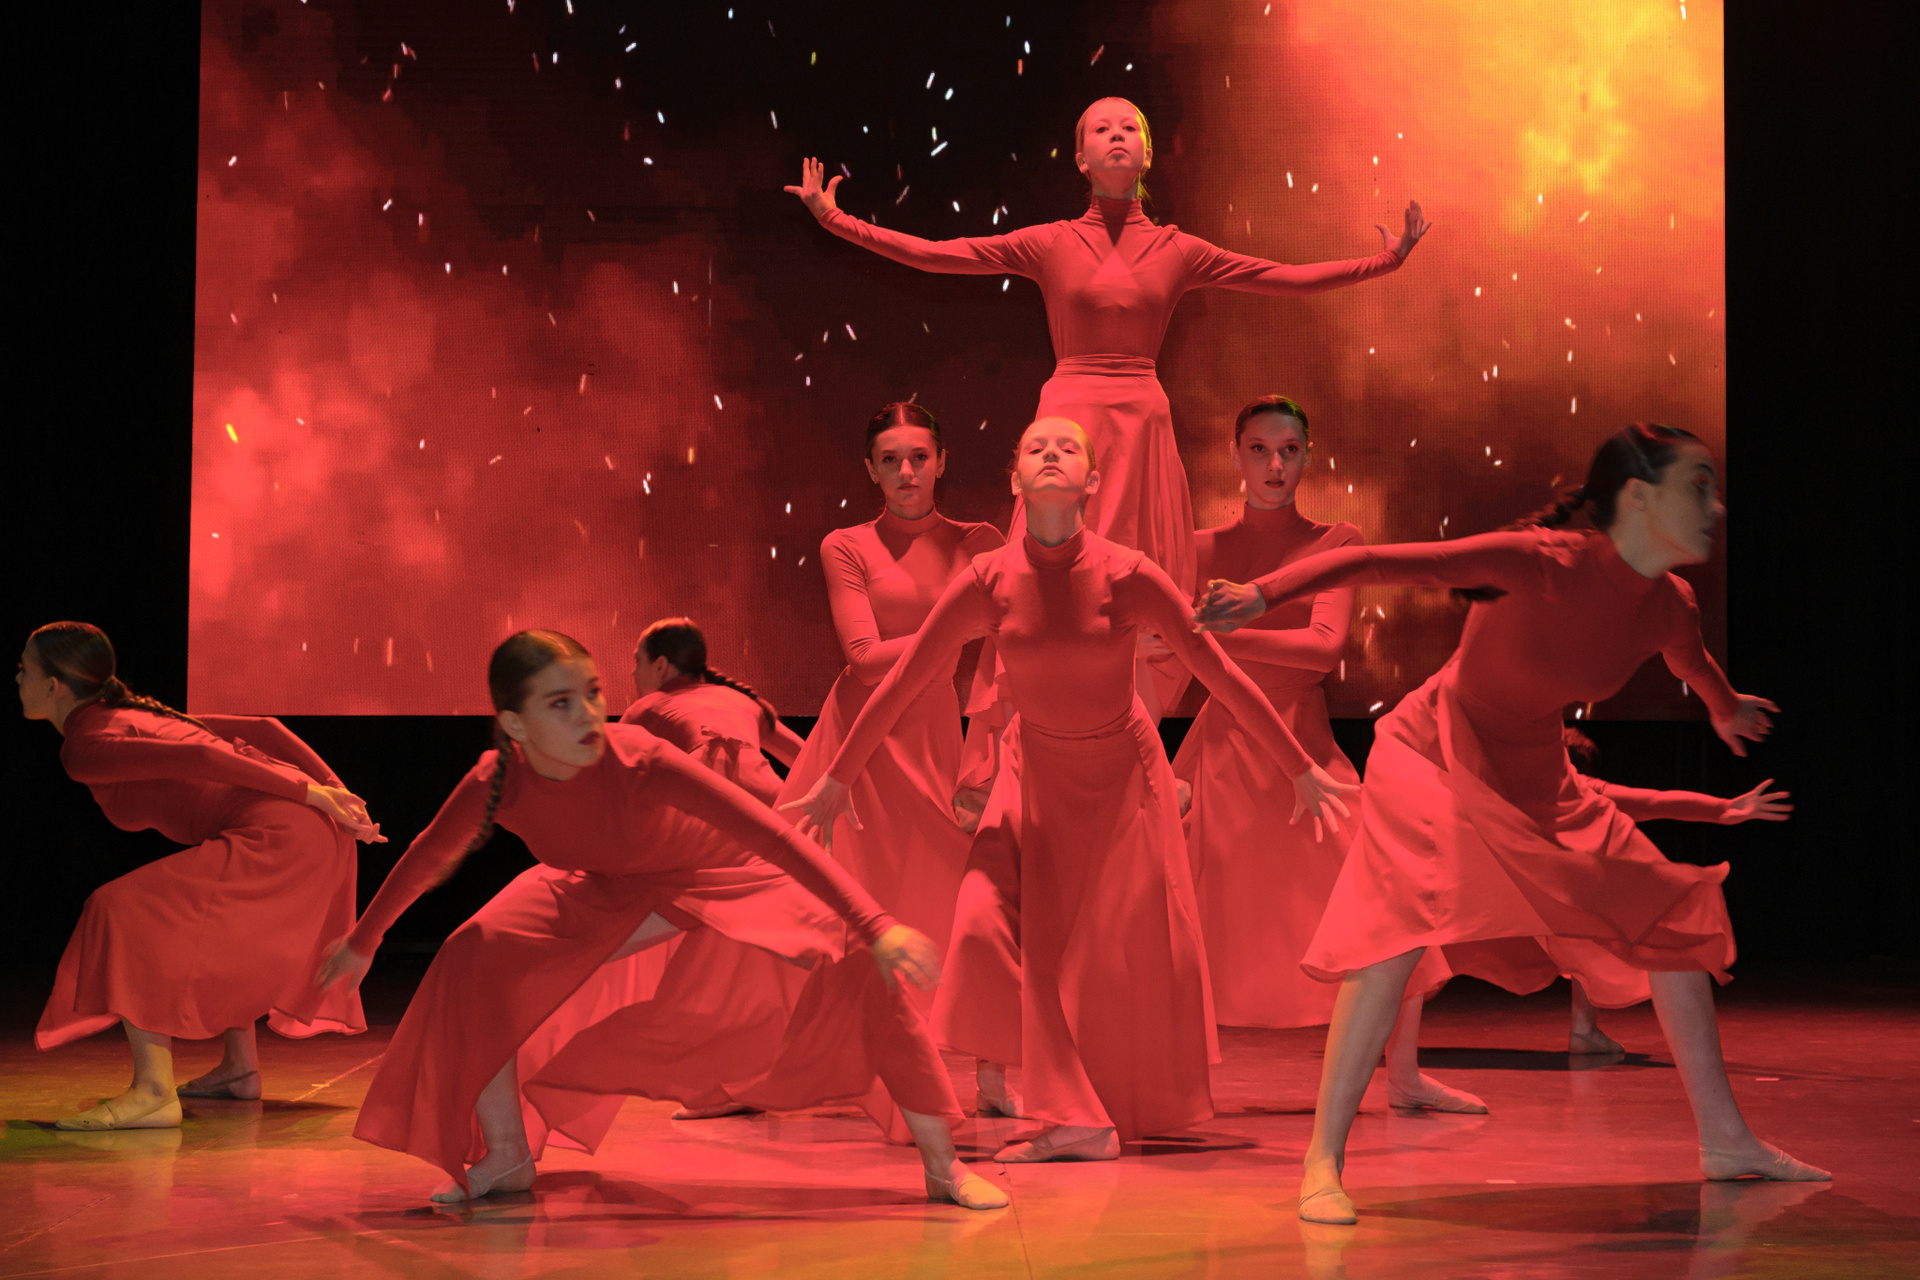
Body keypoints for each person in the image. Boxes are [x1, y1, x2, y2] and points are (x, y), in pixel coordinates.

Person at [1194, 423, 1829, 1224]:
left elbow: (1692, 662)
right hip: (1433, 752)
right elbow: (1373, 561)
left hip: (1537, 773)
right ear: (1639, 497)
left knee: (1666, 914)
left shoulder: (1670, 603)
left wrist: (1725, 707)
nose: (1717, 505)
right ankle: (1323, 1161)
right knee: (1394, 929)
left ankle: (1726, 1141)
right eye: (1698, 485)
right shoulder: (1537, 561)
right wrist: (1261, 595)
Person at [784, 418, 1355, 1163]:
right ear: (1016, 481)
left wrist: (1299, 767)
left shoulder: (1128, 573)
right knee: (980, 924)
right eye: (1035, 447)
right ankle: (1063, 1108)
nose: (1050, 453)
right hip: (1032, 776)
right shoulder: (986, 579)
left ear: (1090, 482)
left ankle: (1078, 1117)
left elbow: (1218, 673)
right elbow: (899, 683)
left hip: (1121, 782)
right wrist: (835, 780)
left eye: (1067, 448)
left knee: (1096, 959)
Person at [319, 630, 1008, 1211]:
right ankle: (506, 1156)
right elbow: (427, 855)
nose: (589, 713)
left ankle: (943, 1167)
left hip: (723, 870)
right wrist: (363, 940)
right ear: (516, 725)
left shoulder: (643, 759)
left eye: (593, 692)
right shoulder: (495, 779)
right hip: (605, 885)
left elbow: (774, 838)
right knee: (475, 952)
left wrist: (876, 923)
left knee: (860, 961)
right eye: (561, 703)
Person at [786, 98, 1430, 714]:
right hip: (1070, 417)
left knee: (1138, 589)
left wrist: (1385, 261)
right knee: (1050, 574)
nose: (1116, 135)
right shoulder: (1050, 242)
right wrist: (837, 222)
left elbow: (1278, 276)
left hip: (1142, 424)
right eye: (1101, 128)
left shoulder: (1178, 249)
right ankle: (1035, 728)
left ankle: (1127, 732)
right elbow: (939, 255)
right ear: (1080, 158)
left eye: (1129, 127)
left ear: (1146, 154)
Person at [18, 621, 374, 1131]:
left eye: (23, 669)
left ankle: (154, 1091)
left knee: (119, 909)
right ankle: (239, 1069)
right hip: (307, 830)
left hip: (285, 832)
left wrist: (317, 794)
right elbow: (267, 729)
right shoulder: (133, 714)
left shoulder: (87, 743)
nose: (17, 678)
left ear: (53, 686)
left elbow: (205, 755)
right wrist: (338, 796)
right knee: (219, 935)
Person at [1384, 735, 1796, 1096]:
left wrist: (1724, 809)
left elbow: (1650, 801)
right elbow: (1651, 801)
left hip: (1505, 900)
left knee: (1422, 954)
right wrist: (1724, 809)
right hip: (1507, 898)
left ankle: (1582, 1031)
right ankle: (1581, 1030)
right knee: (1424, 956)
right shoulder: (1541, 787)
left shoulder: (1550, 787)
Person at [1171, 396, 1366, 1032]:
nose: (1275, 465)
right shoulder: (1196, 550)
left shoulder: (1336, 542)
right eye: (1259, 450)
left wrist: (1215, 635)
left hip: (1304, 740)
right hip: (1224, 750)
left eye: (1288, 451)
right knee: (1196, 918)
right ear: (1236, 455)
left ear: (1308, 457)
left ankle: (1395, 1066)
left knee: (1369, 898)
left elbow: (1324, 648)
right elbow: (1169, 651)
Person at [628, 616, 807, 806]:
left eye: (638, 661)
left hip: (706, 803)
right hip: (772, 801)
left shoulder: (646, 708)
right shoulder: (743, 701)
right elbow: (810, 758)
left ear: (660, 666)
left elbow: (609, 776)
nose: (633, 672)